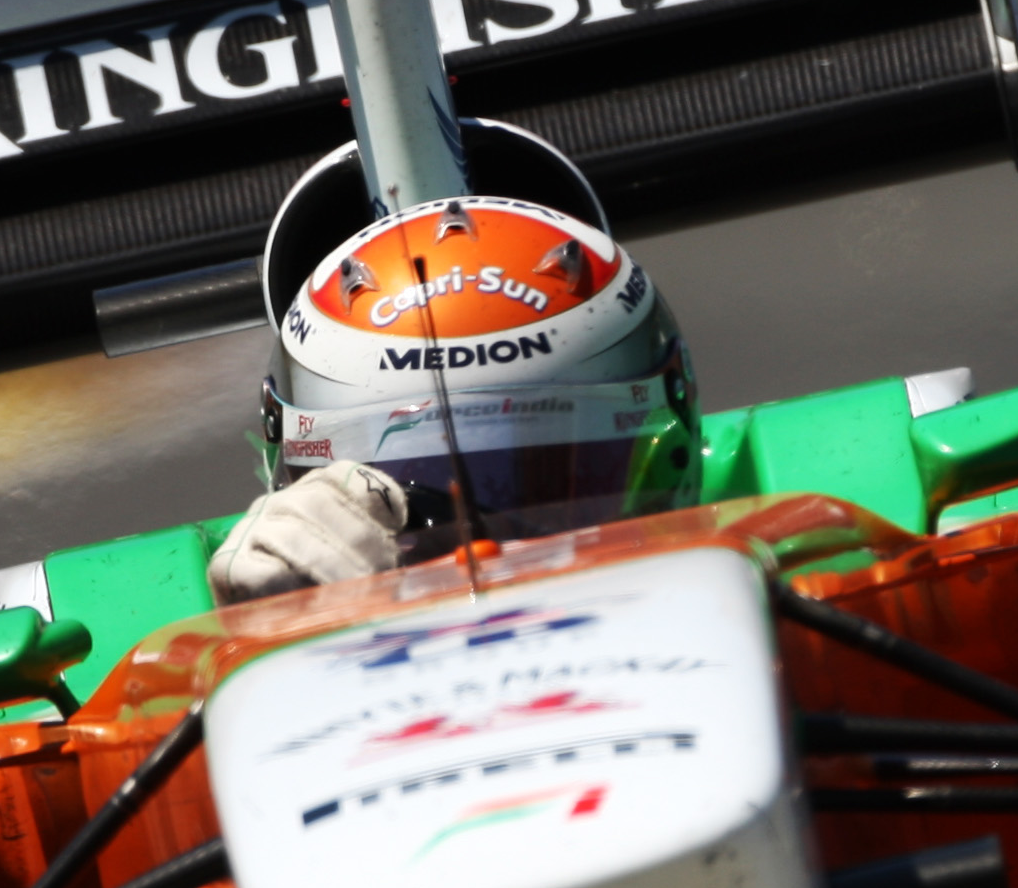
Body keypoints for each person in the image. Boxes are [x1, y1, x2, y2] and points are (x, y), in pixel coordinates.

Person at [209, 194, 697, 603]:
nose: (478, 557)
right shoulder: (261, 597)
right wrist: (262, 630)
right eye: (414, 506)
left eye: (544, 500)